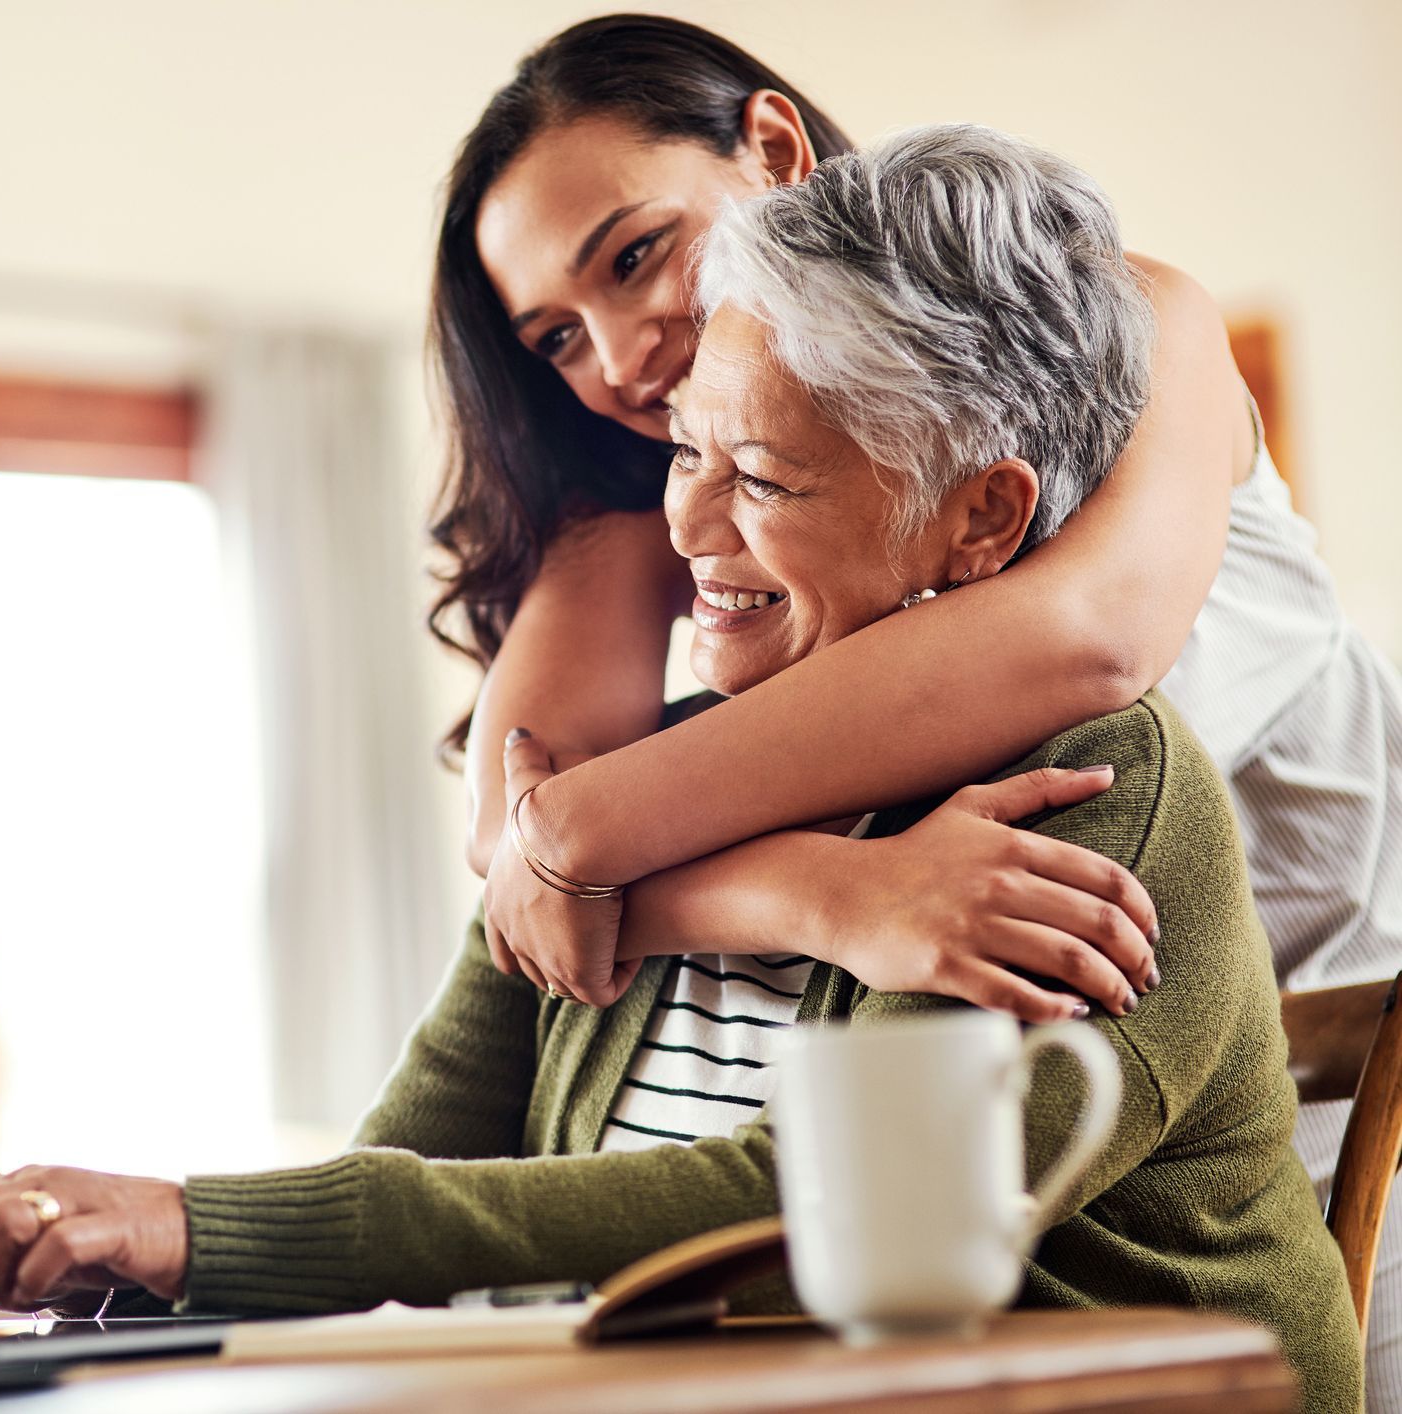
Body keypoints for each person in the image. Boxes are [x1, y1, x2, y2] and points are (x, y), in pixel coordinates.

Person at [0, 126, 1361, 1411]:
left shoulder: (1090, 790)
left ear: (976, 522)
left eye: (761, 476)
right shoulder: (671, 772)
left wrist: (194, 1227)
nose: (691, 532)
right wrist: (110, 1254)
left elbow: (804, 1216)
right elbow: (416, 1153)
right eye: (680, 453)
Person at [437, 12, 1402, 1397]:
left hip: (1345, 1059)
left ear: (771, 146)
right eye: (555, 338)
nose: (619, 356)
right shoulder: (681, 479)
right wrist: (820, 896)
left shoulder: (1122, 332)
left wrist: (586, 843)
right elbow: (511, 848)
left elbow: (1084, 639)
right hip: (1050, 1109)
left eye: (637, 255)